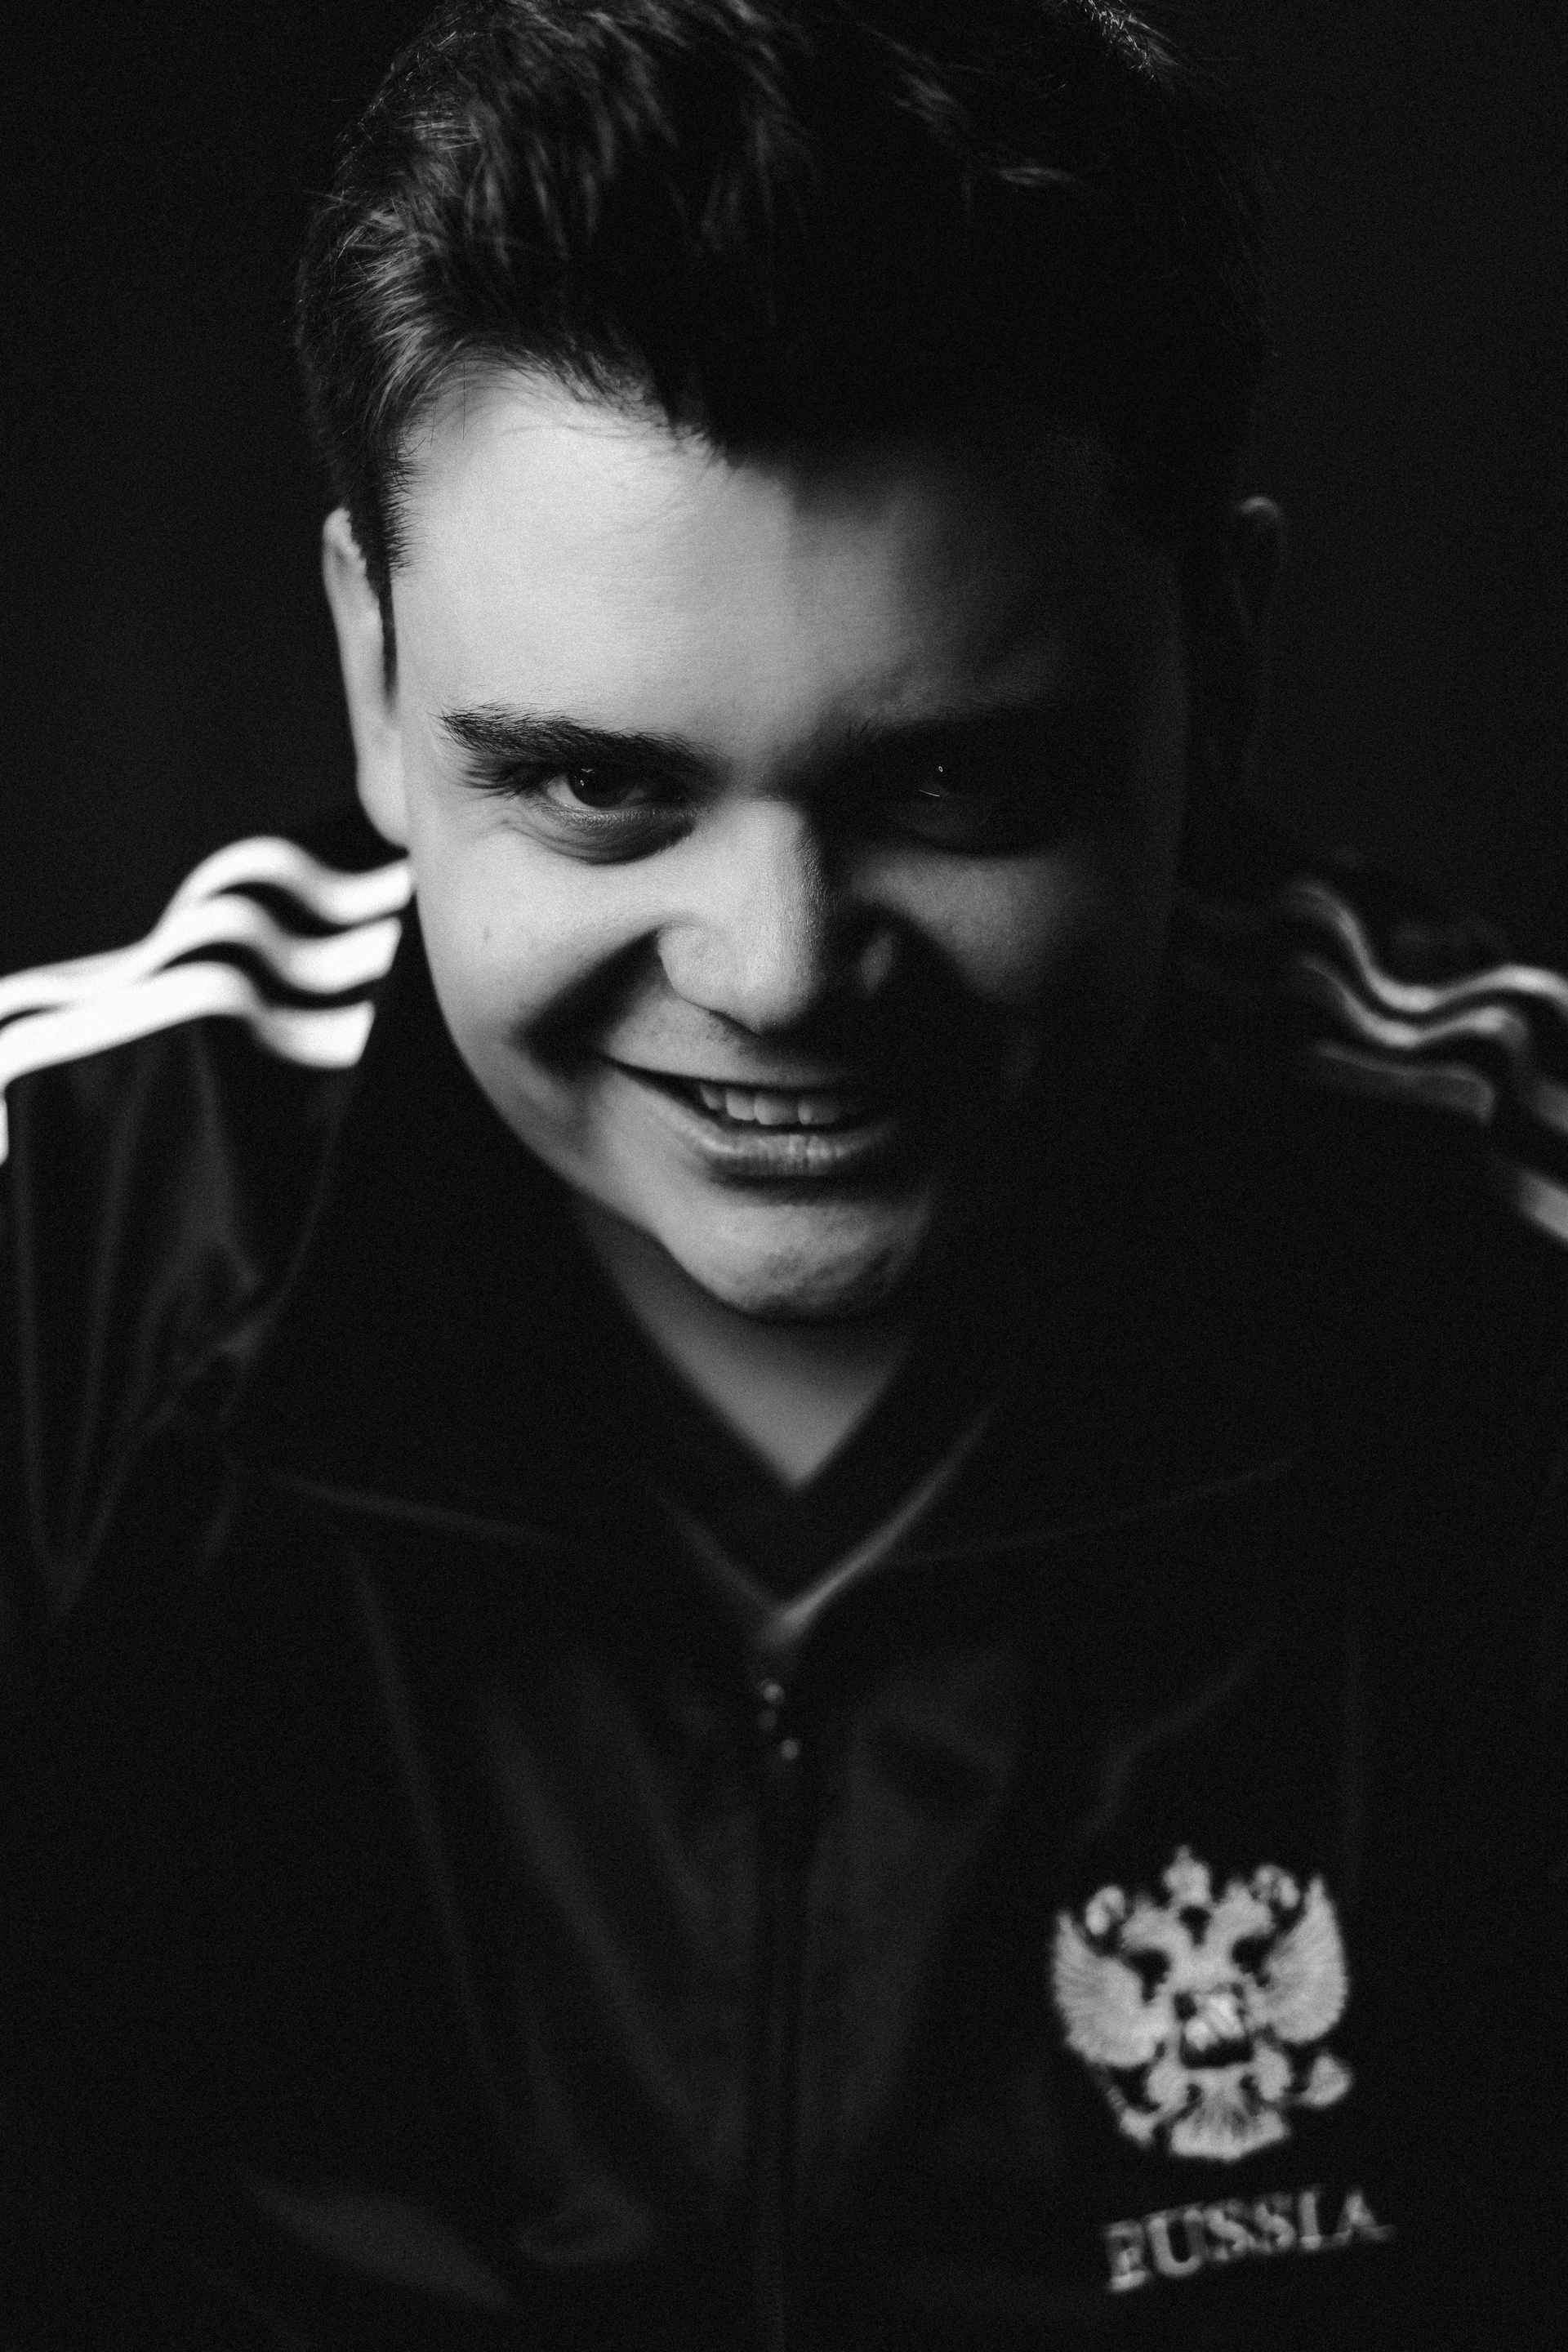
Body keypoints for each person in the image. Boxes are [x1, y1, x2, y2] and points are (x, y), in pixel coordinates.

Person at [1, 2, 1564, 2345]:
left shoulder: (1508, 1283)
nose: (780, 975)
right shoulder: (51, 1246)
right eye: (597, 788)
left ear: (1218, 663)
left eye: (952, 787)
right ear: (373, 677)